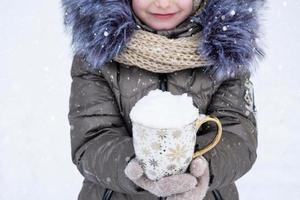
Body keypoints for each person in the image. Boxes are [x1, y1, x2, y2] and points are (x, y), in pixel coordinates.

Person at [62, 0, 265, 199]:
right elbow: (92, 137)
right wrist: (132, 166)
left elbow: (237, 133)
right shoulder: (97, 55)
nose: (163, 3)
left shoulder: (228, 53)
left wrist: (204, 166)